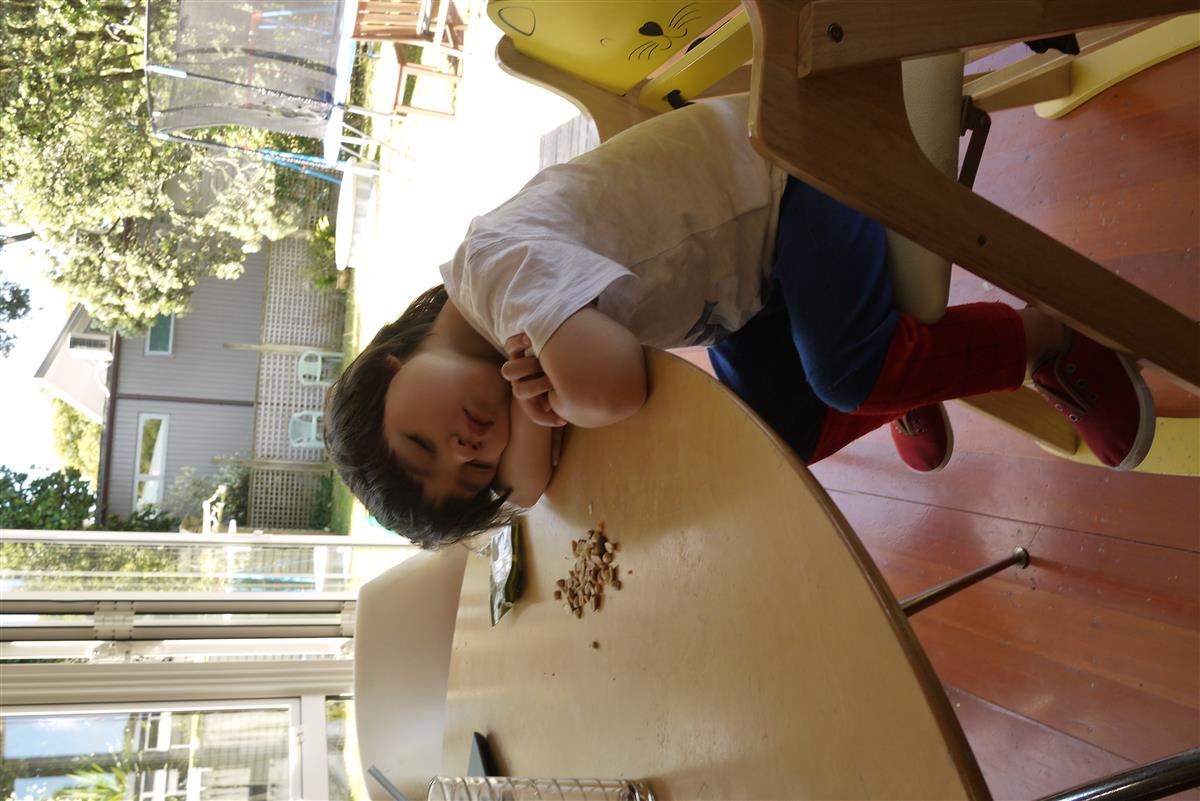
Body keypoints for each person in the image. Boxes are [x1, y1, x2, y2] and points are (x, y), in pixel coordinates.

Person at [325, 94, 1156, 549]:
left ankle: (1047, 338)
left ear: (391, 367)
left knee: (848, 373)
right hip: (750, 276)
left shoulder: (491, 273)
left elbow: (616, 387)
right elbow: (533, 485)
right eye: (471, 472)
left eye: (423, 443)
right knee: (773, 436)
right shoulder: (502, 333)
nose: (467, 446)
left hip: (794, 173)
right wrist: (538, 406)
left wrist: (544, 406)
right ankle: (909, 366)